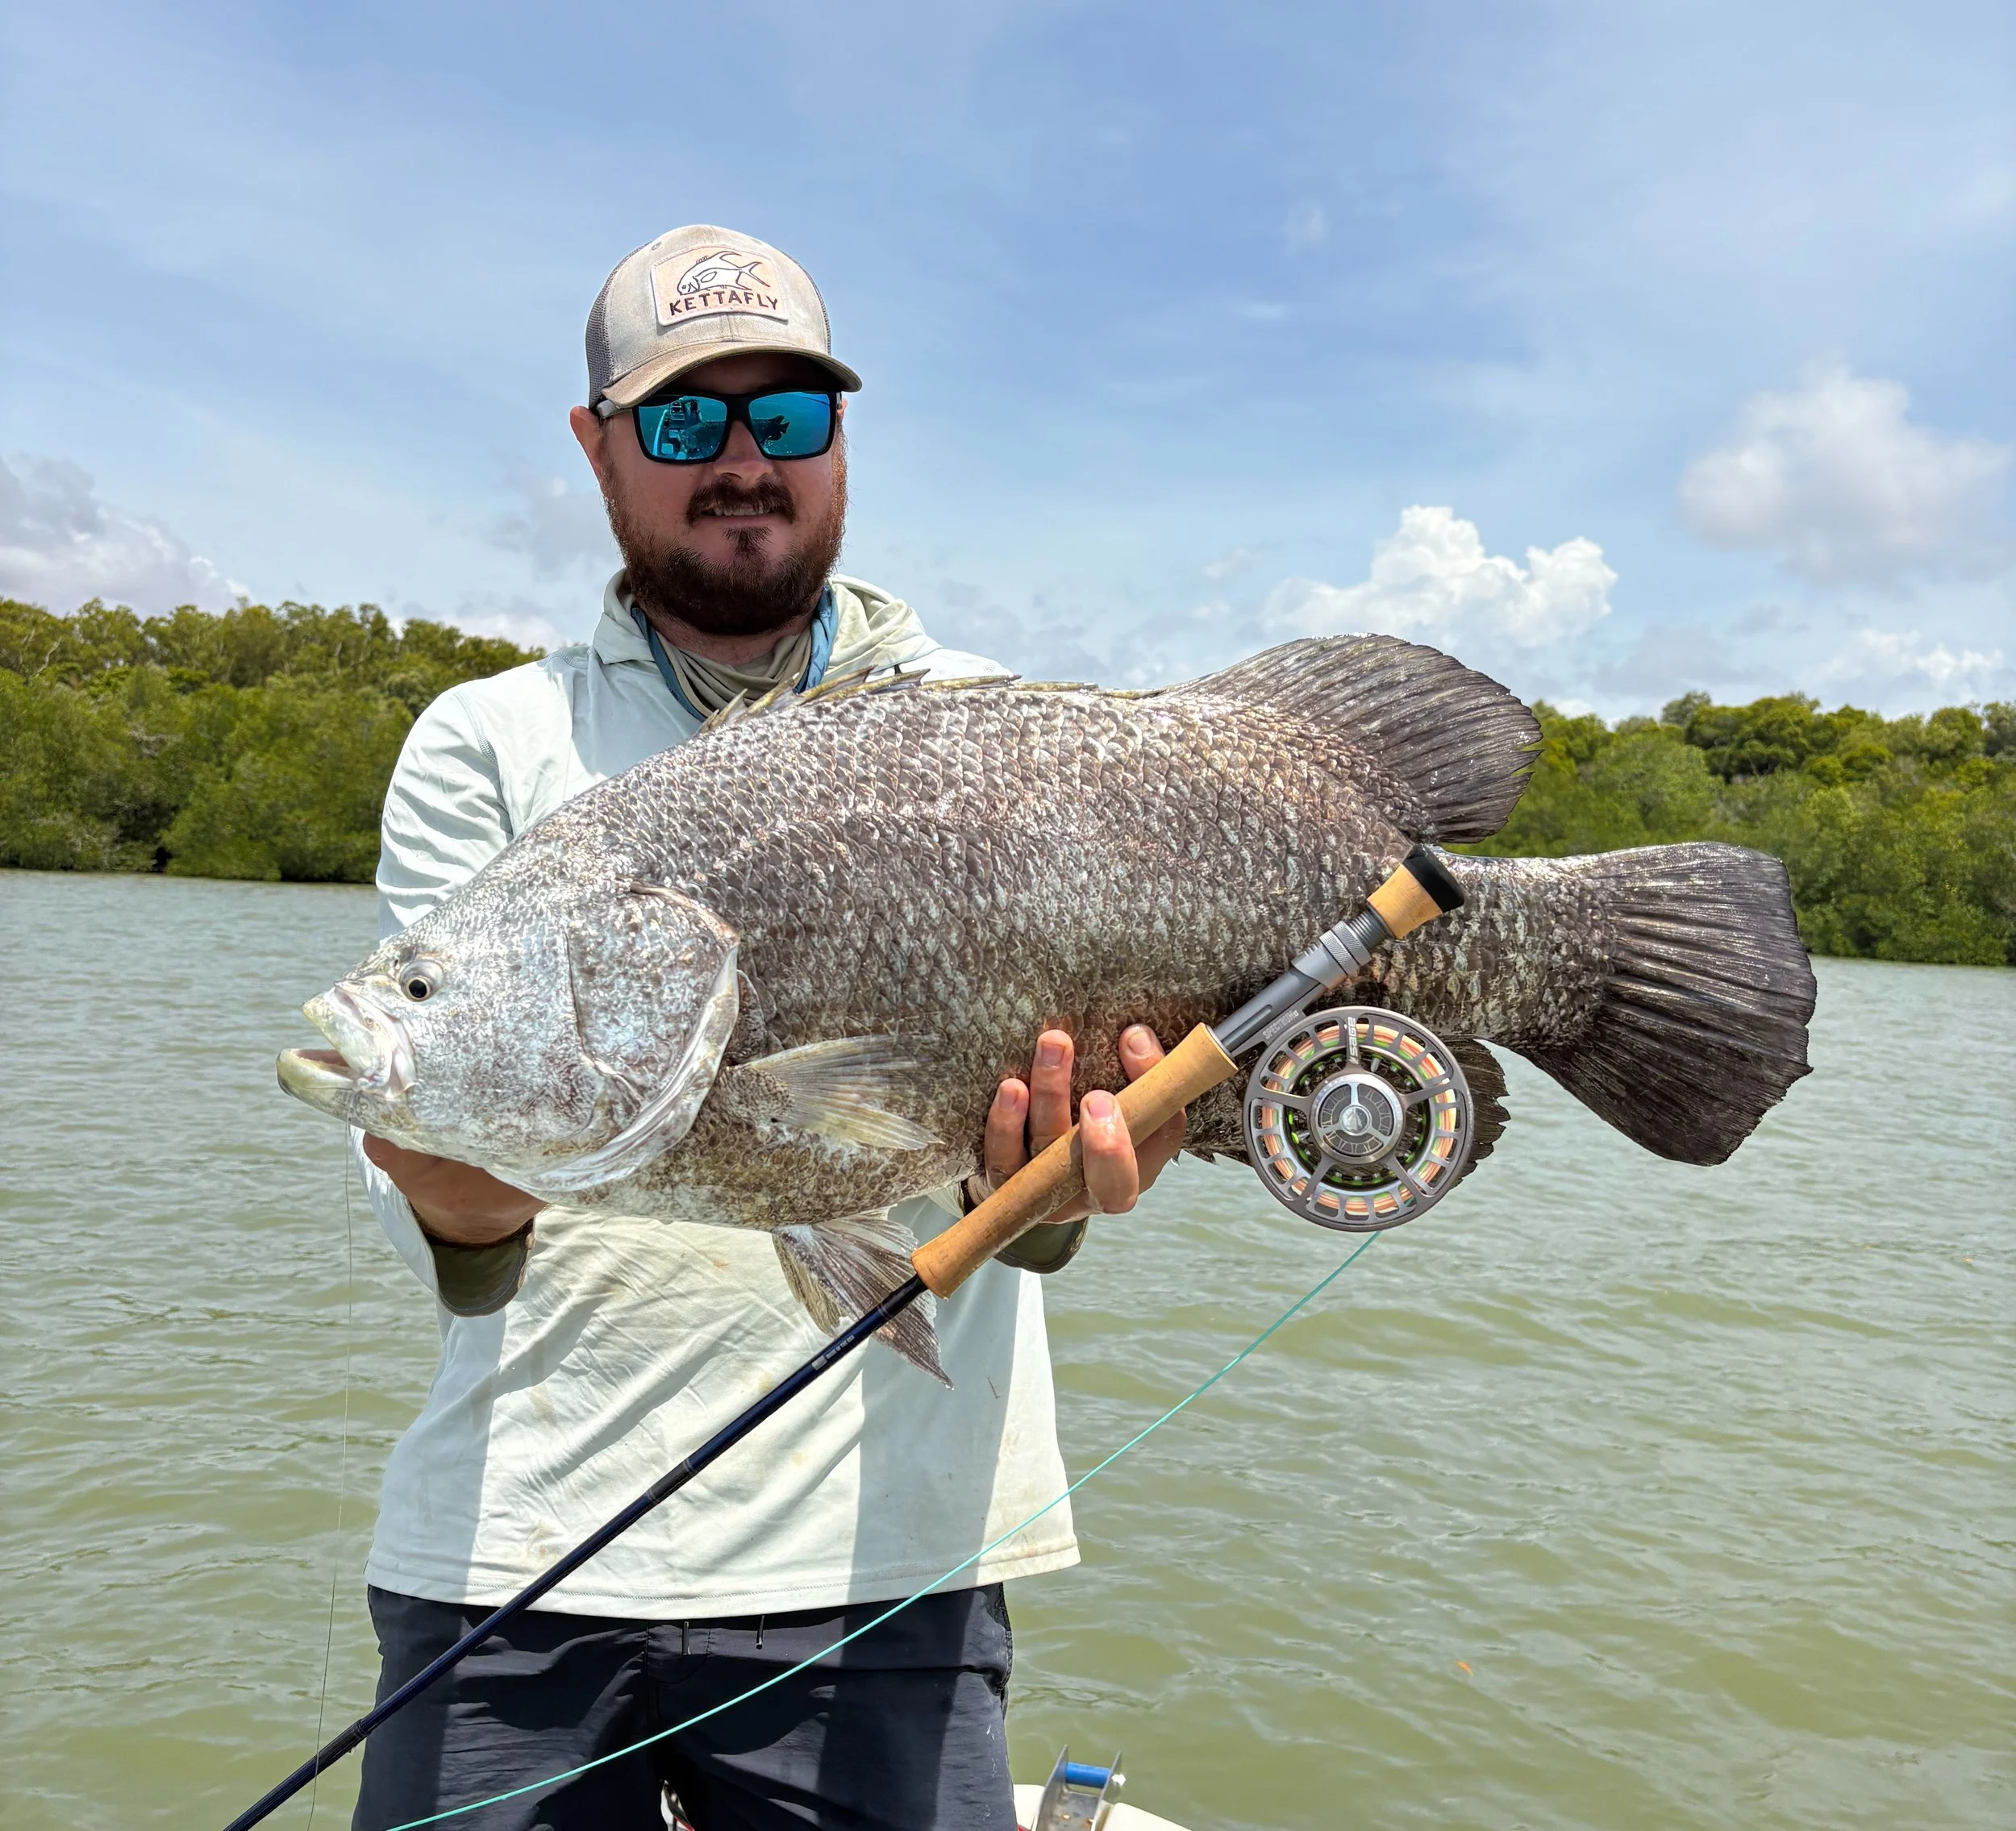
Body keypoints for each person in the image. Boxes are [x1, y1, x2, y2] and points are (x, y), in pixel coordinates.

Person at [349, 225, 1185, 1831]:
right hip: (513, 1557)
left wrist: (1057, 1193)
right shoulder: (489, 740)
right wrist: (447, 1171)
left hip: (888, 1571)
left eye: (784, 418)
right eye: (681, 422)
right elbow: (453, 1229)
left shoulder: (984, 724)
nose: (740, 460)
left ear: (839, 443)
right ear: (596, 447)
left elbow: (1017, 1210)